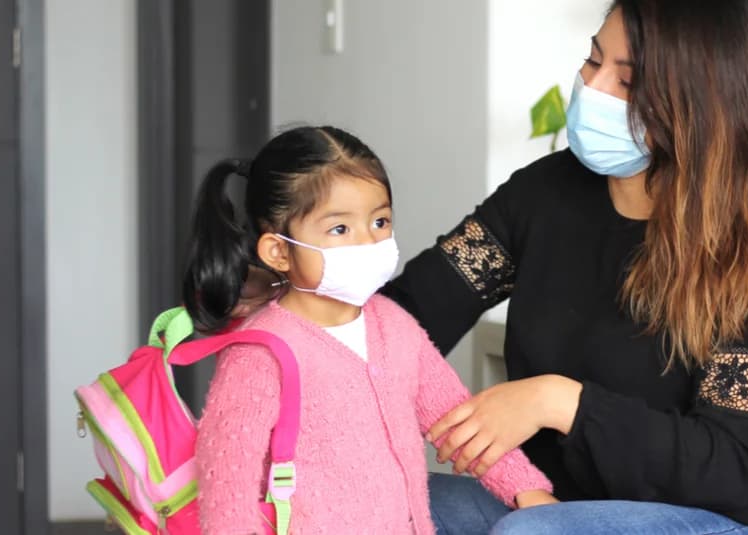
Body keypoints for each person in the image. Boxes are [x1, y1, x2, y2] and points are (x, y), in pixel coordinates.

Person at [383, 1, 748, 533]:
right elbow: (410, 313)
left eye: (628, 81)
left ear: (697, 105)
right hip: (560, 507)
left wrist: (558, 401)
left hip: (720, 517)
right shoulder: (543, 195)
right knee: (389, 502)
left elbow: (728, 467)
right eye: (593, 61)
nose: (593, 89)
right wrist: (298, 309)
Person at [188, 126, 555, 534]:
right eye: (340, 229)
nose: (368, 242)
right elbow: (227, 492)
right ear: (279, 250)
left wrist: (527, 490)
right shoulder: (261, 353)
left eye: (379, 221)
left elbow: (458, 420)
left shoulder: (396, 326)